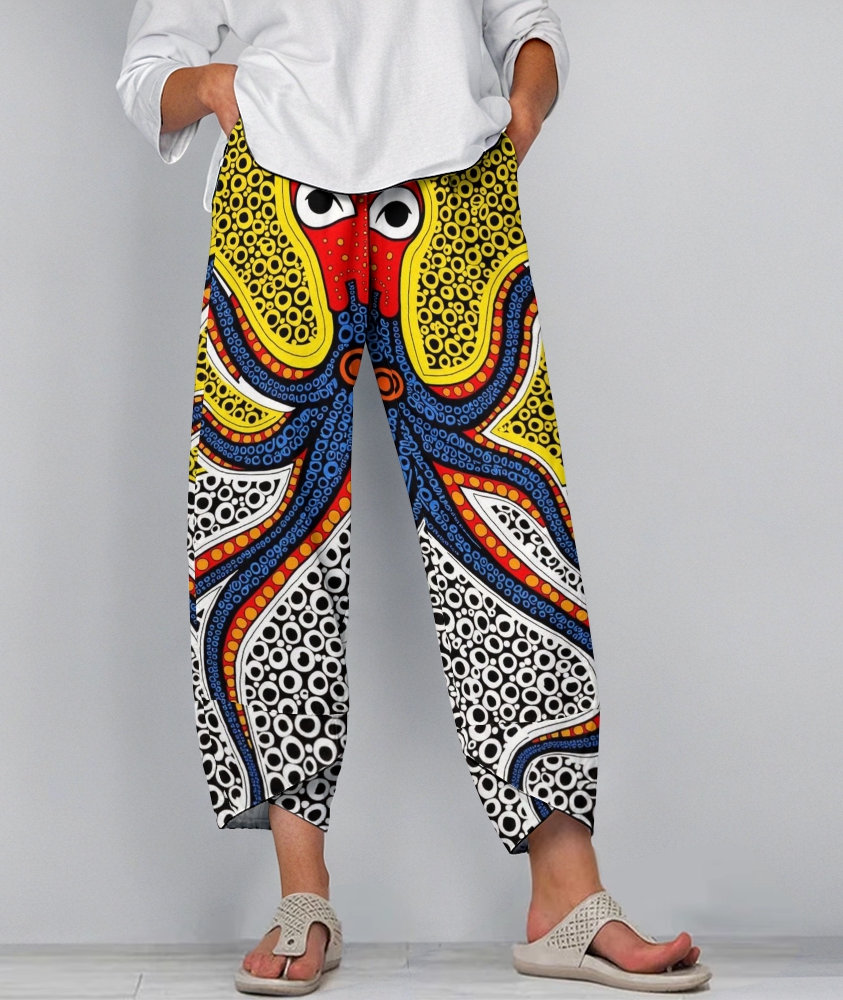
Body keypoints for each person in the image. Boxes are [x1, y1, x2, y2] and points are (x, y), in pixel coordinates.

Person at [118, 2, 711, 994]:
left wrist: (525, 104)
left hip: (458, 191)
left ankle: (565, 895)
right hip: (277, 192)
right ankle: (302, 895)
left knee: (511, 535)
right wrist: (217, 86)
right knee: (268, 544)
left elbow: (526, 20)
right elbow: (150, 70)